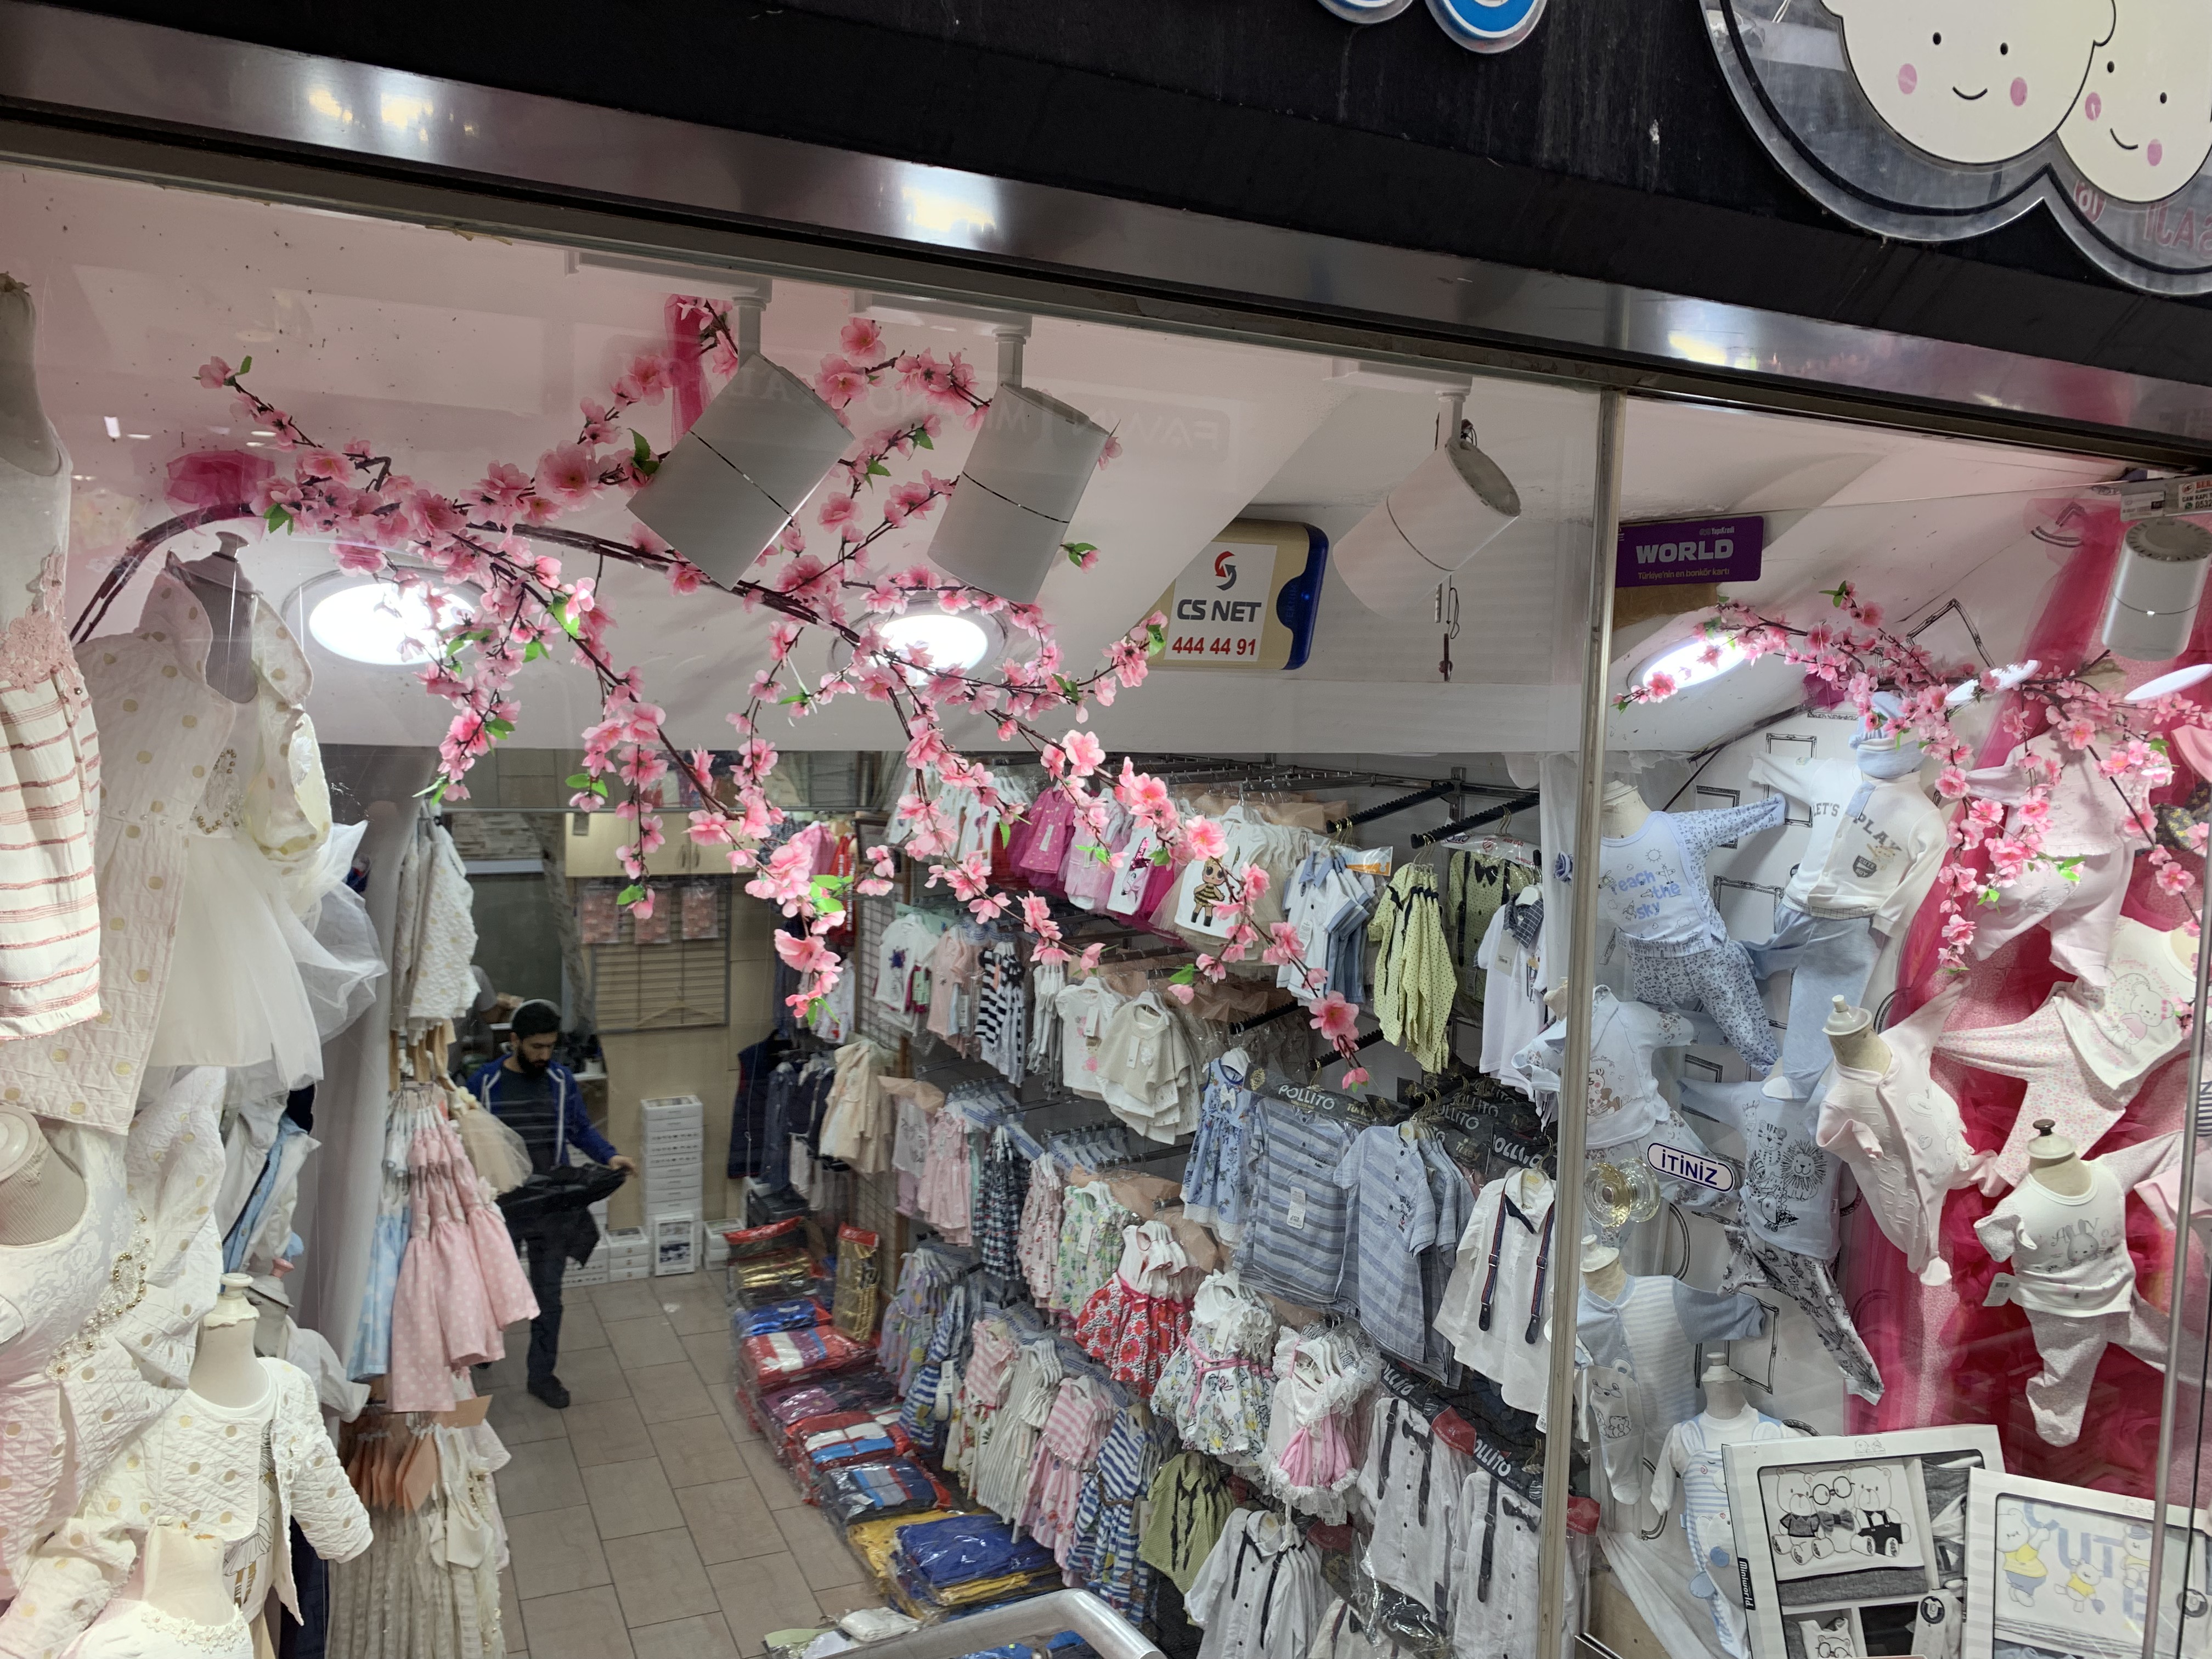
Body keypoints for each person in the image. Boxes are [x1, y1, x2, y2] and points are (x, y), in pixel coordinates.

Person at [467, 999, 634, 1408]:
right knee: (489, 1289)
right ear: (515, 1041)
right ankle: (483, 1347)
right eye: (536, 1047)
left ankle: (542, 1376)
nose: (544, 1055)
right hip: (502, 1206)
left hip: (552, 1204)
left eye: (550, 1047)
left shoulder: (561, 1081)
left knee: (549, 1297)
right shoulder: (484, 1084)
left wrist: (610, 1156)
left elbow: (580, 1129)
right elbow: (467, 1143)